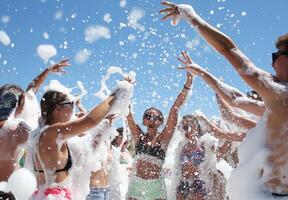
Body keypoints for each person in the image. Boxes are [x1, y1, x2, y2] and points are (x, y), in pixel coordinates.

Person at [161, 3, 288, 195]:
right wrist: (202, 72)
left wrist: (191, 16)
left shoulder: (280, 93)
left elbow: (229, 49)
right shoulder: (277, 104)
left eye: (276, 55)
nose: (271, 62)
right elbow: (236, 100)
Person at [0, 60, 69, 200]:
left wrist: (47, 71)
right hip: (4, 191)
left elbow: (31, 89)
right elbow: (41, 138)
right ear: (19, 104)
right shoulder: (17, 129)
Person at [33, 86, 126, 200]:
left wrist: (104, 126)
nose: (73, 109)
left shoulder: (41, 134)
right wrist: (115, 95)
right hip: (56, 197)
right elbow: (90, 121)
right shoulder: (52, 132)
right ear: (57, 108)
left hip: (46, 195)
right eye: (71, 104)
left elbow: (87, 149)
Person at [126, 68, 193, 200]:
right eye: (148, 116)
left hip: (156, 187)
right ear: (144, 120)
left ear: (161, 121)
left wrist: (188, 84)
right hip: (136, 186)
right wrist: (126, 88)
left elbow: (175, 109)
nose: (152, 119)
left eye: (156, 117)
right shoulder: (138, 136)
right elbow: (127, 113)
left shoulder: (163, 139)